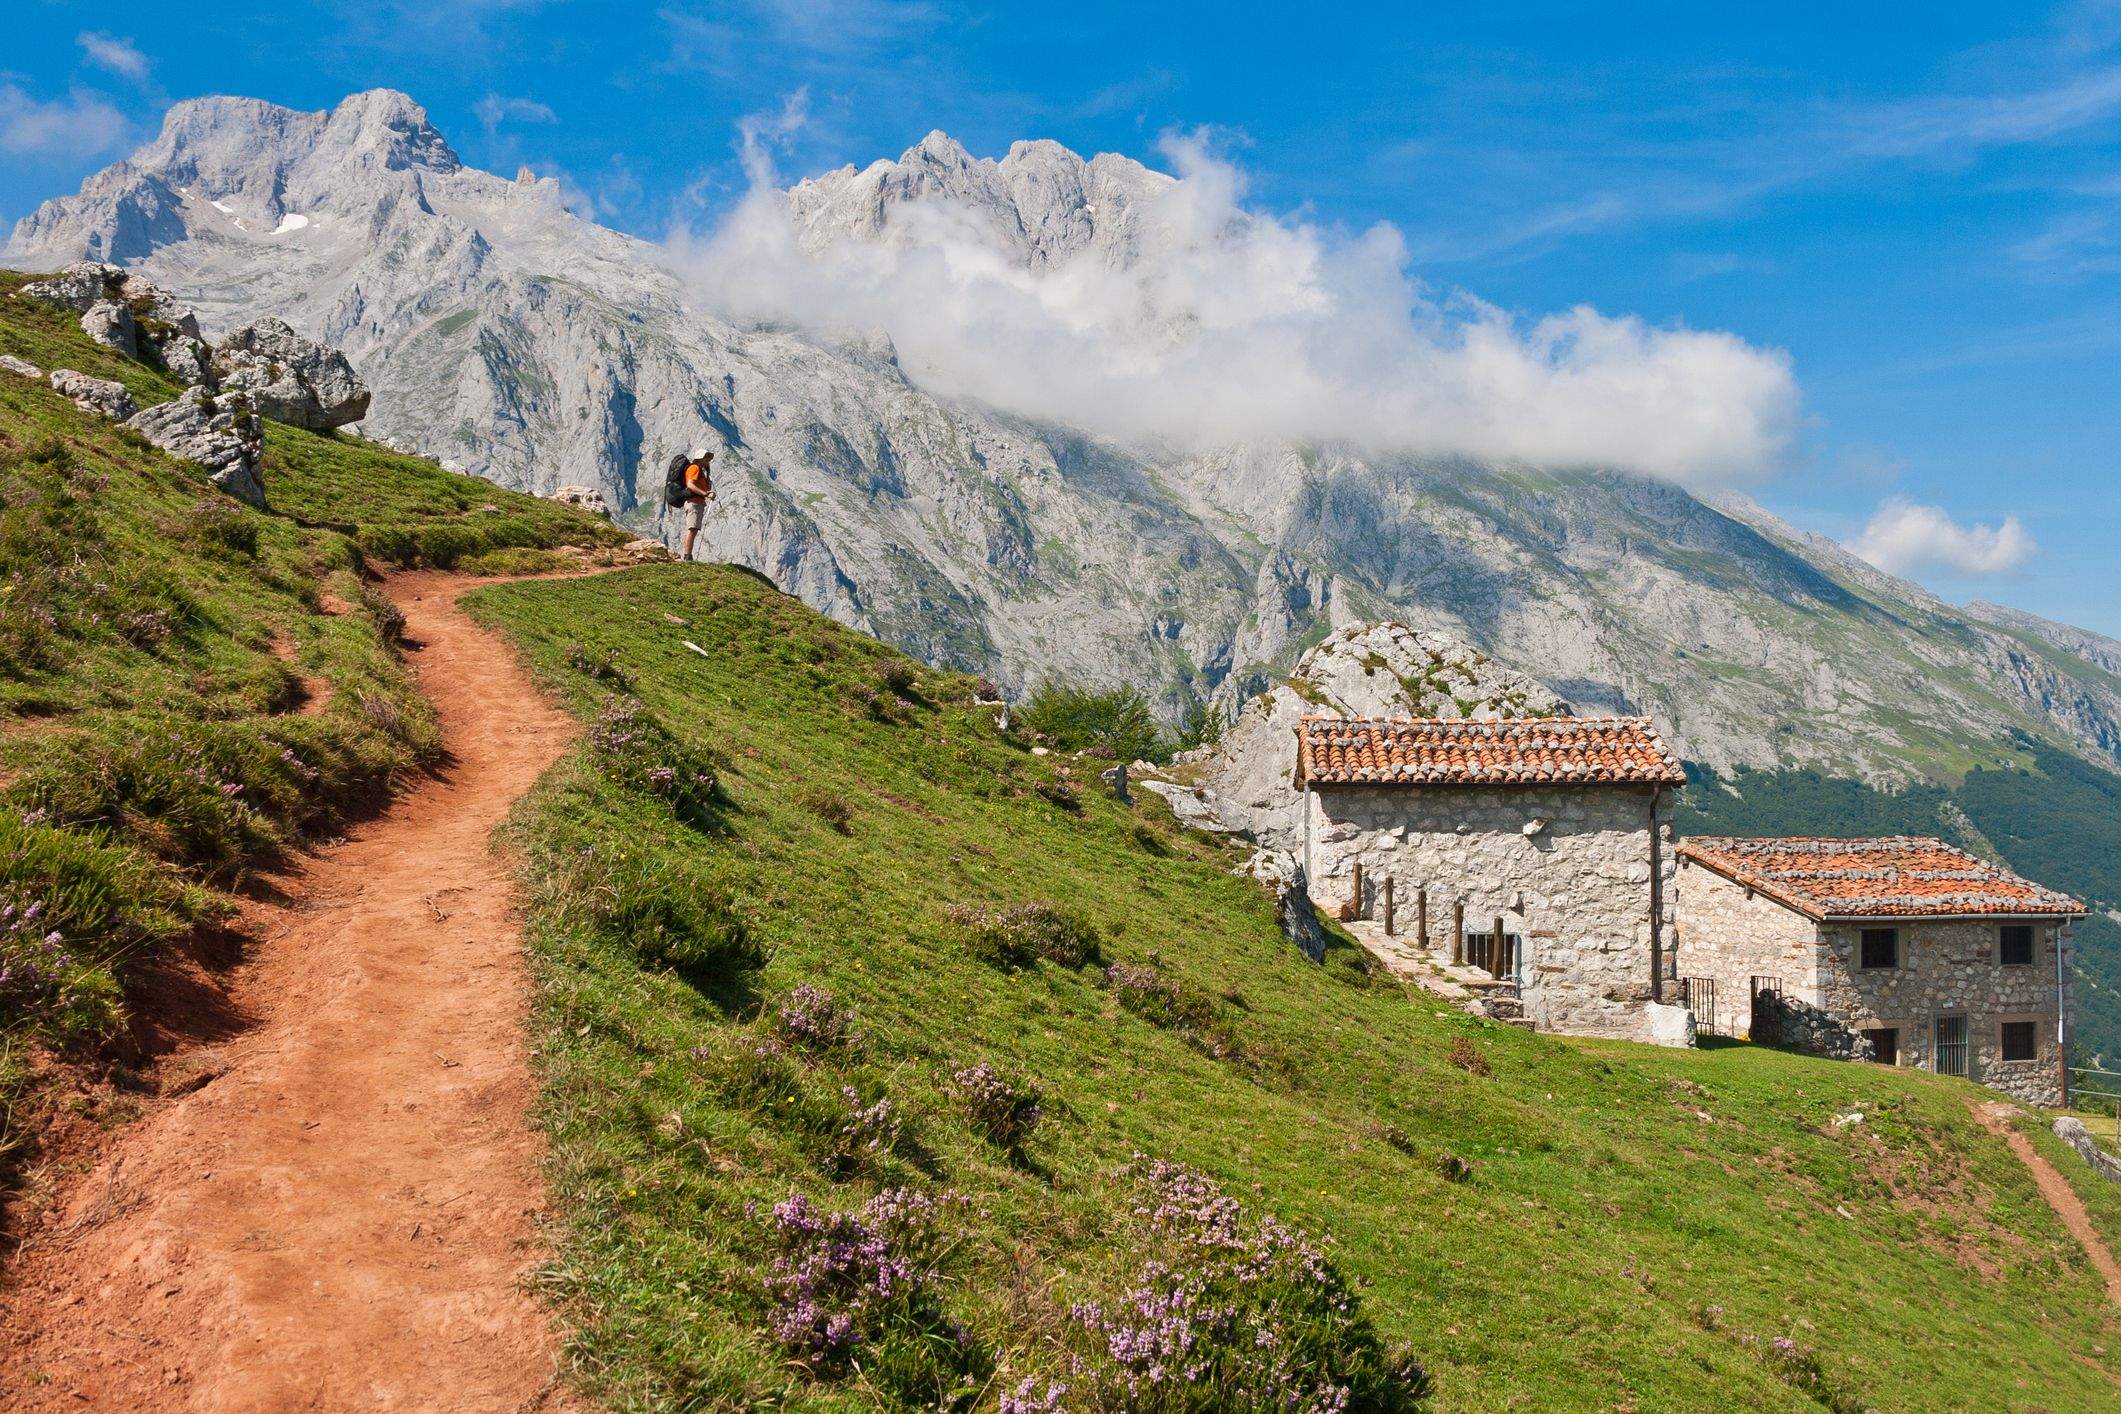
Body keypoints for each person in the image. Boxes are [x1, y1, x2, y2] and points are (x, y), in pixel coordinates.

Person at [663, 445, 716, 561]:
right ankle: (687, 556)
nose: (708, 460)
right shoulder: (694, 468)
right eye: (706, 458)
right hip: (694, 502)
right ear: (700, 458)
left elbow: (703, 486)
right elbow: (691, 485)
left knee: (694, 529)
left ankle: (688, 555)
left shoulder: (700, 471)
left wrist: (707, 483)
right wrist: (706, 494)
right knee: (692, 529)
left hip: (697, 502)